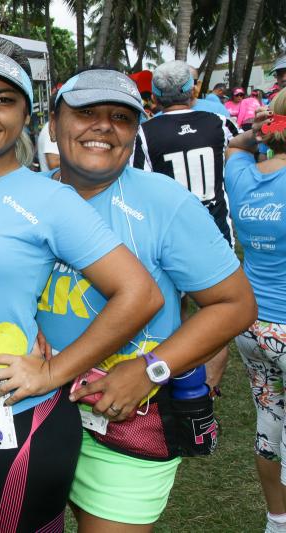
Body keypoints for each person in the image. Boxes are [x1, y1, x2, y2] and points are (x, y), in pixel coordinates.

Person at [0, 37, 163, 533]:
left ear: (26, 113)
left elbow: (140, 293)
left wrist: (54, 371)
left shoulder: (48, 198)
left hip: (20, 416)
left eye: (3, 99)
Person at [38, 66, 256, 533]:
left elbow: (235, 304)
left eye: (121, 117)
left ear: (135, 130)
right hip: (34, 413)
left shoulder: (165, 202)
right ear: (53, 124)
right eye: (86, 112)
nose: (103, 126)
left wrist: (150, 369)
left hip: (128, 417)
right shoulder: (26, 198)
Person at [133, 60, 240, 390]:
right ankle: (206, 390)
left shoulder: (145, 133)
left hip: (168, 235)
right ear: (191, 91)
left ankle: (182, 382)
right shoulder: (219, 122)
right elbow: (239, 157)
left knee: (176, 308)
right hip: (215, 230)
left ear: (155, 97)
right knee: (218, 312)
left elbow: (140, 186)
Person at [225, 93, 286, 533]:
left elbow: (235, 146)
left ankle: (276, 521)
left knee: (270, 423)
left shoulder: (241, 174)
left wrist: (257, 129)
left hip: (252, 325)